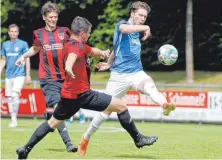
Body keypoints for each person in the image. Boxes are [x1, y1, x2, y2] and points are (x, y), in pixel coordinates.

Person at [16, 16, 157, 159]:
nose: (89, 35)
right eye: (89, 33)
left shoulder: (76, 43)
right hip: (84, 95)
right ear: (82, 33)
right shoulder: (75, 47)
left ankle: (25, 149)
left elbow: (92, 51)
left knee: (52, 122)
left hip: (68, 97)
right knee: (121, 106)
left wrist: (103, 53)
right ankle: (138, 139)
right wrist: (68, 67)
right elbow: (71, 57)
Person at [78, 1, 176, 156]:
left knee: (149, 84)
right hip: (119, 76)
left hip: (136, 73)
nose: (143, 19)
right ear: (132, 13)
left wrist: (108, 63)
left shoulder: (137, 31)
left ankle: (164, 104)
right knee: (105, 112)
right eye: (140, 15)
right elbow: (123, 31)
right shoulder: (122, 25)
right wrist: (146, 27)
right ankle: (85, 138)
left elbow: (116, 47)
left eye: (145, 17)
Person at [15, 2, 77, 152]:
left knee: (66, 110)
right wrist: (23, 56)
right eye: (50, 17)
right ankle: (68, 143)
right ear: (44, 17)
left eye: (55, 17)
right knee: (59, 109)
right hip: (48, 79)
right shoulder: (39, 34)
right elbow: (35, 48)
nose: (53, 20)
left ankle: (49, 115)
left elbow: (73, 47)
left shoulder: (65, 31)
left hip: (65, 78)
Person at [0, 24, 31, 128]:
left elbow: (27, 58)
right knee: (9, 98)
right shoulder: (5, 44)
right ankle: (13, 119)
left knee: (14, 94)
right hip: (9, 75)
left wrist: (28, 74)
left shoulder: (23, 44)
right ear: (8, 32)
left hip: (19, 74)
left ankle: (14, 120)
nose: (13, 33)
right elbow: (3, 60)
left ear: (18, 32)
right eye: (11, 31)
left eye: (15, 31)